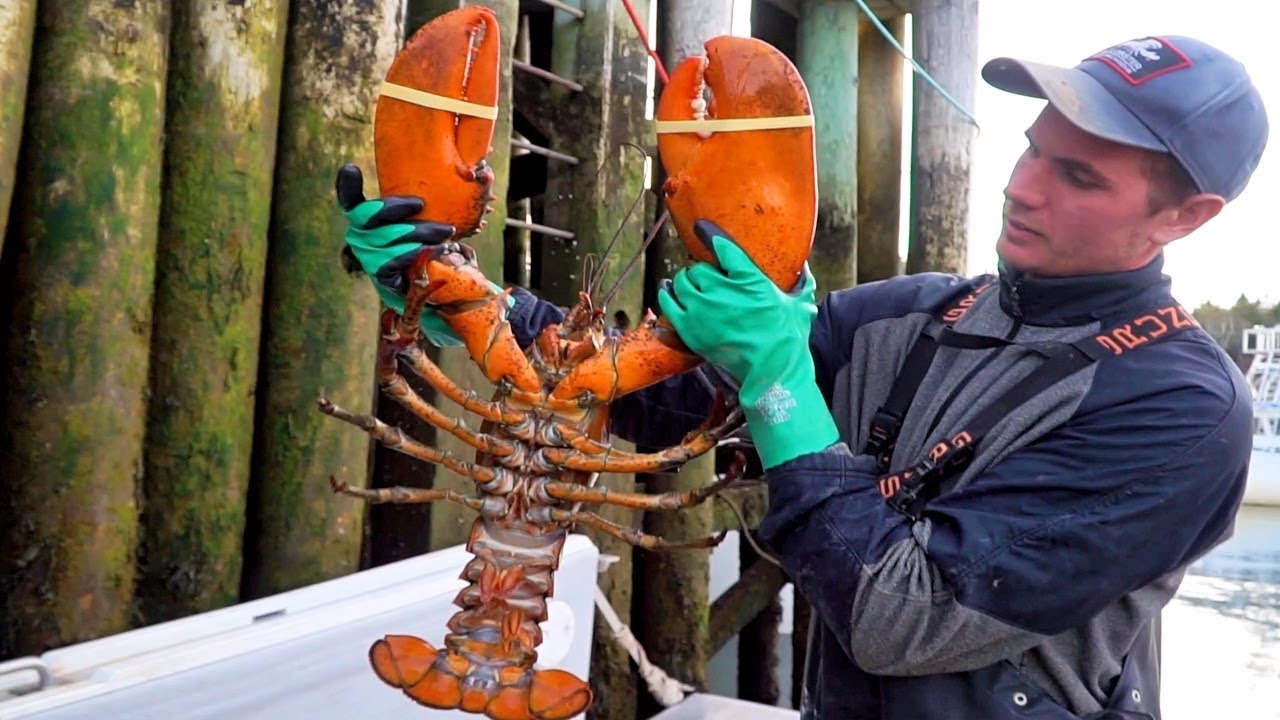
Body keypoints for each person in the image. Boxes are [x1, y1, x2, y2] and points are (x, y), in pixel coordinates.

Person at [341, 35, 1268, 719]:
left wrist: (781, 376)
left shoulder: (1182, 411)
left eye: (1077, 175)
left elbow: (898, 619)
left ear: (1186, 215)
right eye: (1030, 147)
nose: (1022, 186)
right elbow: (665, 397)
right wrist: (461, 299)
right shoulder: (915, 315)